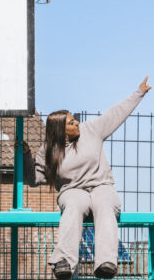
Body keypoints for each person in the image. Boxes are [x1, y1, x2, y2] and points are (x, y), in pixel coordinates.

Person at [23, 77, 151, 280]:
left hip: (101, 185)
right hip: (72, 190)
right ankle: (63, 261)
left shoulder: (91, 130)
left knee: (104, 202)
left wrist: (139, 93)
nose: (77, 123)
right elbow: (33, 179)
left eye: (75, 120)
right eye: (72, 123)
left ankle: (106, 262)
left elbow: (115, 114)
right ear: (62, 133)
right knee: (74, 205)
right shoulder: (48, 151)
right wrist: (25, 157)